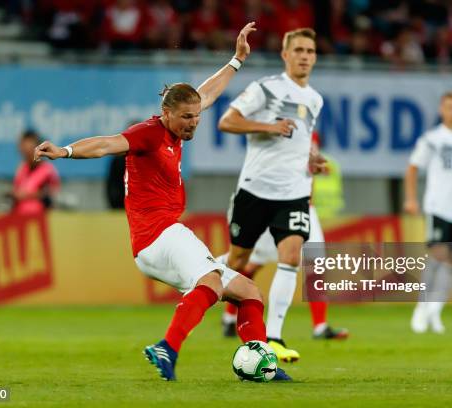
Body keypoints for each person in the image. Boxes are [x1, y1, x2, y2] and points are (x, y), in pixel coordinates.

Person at [34, 23, 291, 382]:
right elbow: (108, 143)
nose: (194, 123)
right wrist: (65, 151)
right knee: (212, 282)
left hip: (154, 242)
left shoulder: (177, 126)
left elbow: (208, 94)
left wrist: (236, 60)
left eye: (197, 117)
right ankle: (166, 347)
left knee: (248, 292)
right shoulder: (149, 133)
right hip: (159, 234)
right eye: (187, 117)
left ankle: (265, 366)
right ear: (167, 113)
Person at [217, 27, 325, 362]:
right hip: (255, 190)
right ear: (285, 55)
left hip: (293, 193)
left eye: (310, 51)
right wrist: (268, 127)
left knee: (291, 257)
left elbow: (298, 141)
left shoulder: (315, 99)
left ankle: (274, 336)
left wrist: (311, 160)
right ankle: (198, 275)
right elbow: (227, 121)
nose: (304, 56)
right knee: (237, 262)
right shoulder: (266, 89)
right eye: (299, 50)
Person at [220, 132, 349, 343]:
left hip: (302, 206)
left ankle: (319, 325)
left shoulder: (306, 123)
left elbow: (309, 165)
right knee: (251, 263)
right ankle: (229, 316)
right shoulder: (271, 129)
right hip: (272, 203)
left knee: (315, 263)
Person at [404, 91, 452, 334]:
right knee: (438, 255)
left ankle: (435, 312)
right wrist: (410, 199)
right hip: (438, 205)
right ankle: (421, 308)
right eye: (449, 107)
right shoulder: (432, 138)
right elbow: (413, 167)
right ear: (441, 109)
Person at [8, 129, 61, 215]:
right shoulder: (21, 169)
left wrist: (27, 195)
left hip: (40, 219)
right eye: (24, 151)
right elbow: (16, 193)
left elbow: (51, 197)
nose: (26, 155)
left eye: (30, 151)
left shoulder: (48, 171)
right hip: (20, 219)